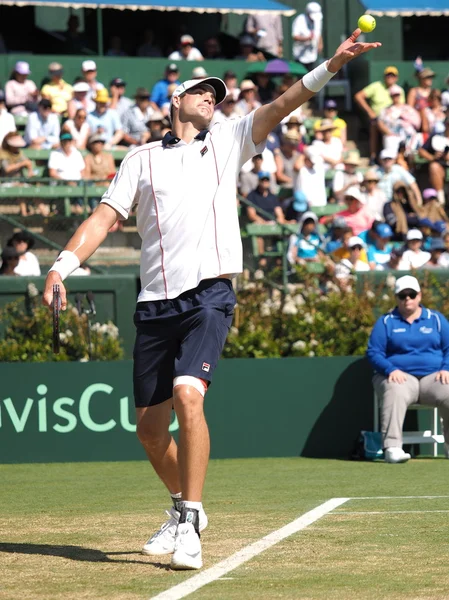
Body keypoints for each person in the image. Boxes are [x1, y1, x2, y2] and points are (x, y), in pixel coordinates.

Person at [42, 30, 381, 570]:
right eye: (202, 90)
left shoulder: (229, 138)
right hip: (155, 302)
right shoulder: (140, 159)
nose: (211, 98)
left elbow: (284, 102)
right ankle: (181, 510)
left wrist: (332, 64)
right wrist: (62, 265)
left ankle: (193, 521)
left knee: (188, 395)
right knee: (150, 433)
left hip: (209, 294)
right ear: (175, 99)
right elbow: (104, 219)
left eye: (216, 94)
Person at [367, 275, 449, 463]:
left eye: (411, 294)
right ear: (396, 298)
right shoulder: (386, 321)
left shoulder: (436, 319)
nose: (407, 299)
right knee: (394, 389)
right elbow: (374, 353)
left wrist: (447, 367)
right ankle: (393, 448)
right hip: (400, 377)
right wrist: (390, 369)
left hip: (434, 377)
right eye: (402, 295)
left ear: (419, 296)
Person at [354, 66, 405, 164]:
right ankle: (374, 156)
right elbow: (358, 96)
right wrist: (370, 112)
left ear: (396, 78)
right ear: (384, 77)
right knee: (376, 124)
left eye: (393, 76)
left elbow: (401, 107)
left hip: (394, 121)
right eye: (388, 75)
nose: (390, 78)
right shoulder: (376, 86)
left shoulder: (399, 90)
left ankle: (399, 157)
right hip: (378, 119)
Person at [377, 84, 421, 156]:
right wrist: (389, 133)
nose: (395, 97)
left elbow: (417, 123)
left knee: (415, 140)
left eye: (397, 94)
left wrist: (406, 119)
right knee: (390, 142)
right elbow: (380, 123)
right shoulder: (385, 110)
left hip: (408, 134)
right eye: (393, 95)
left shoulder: (408, 108)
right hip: (392, 135)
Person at [418, 116, 449, 206]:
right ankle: (440, 199)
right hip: (441, 167)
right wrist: (432, 157)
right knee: (434, 167)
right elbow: (421, 151)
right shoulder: (437, 137)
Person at [292, 2, 323, 71]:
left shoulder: (318, 20)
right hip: (300, 57)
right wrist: (307, 38)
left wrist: (320, 44)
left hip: (313, 56)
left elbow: (319, 32)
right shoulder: (299, 20)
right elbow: (295, 36)